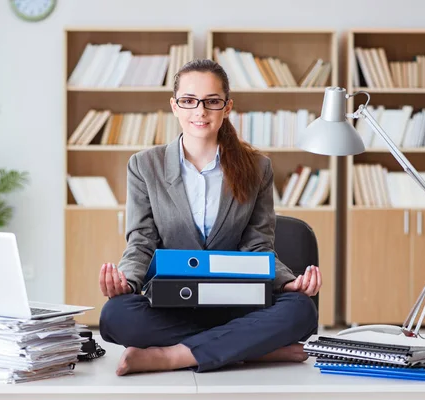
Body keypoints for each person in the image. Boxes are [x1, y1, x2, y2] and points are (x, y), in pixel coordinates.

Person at [98, 58, 322, 376]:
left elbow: (258, 245)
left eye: (211, 101)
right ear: (175, 106)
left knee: (301, 311)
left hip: (236, 302)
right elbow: (142, 241)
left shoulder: (258, 168)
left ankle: (174, 356)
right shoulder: (144, 166)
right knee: (115, 316)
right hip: (173, 304)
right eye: (189, 101)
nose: (200, 112)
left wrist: (288, 284)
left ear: (227, 107)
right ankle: (253, 350)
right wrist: (128, 281)